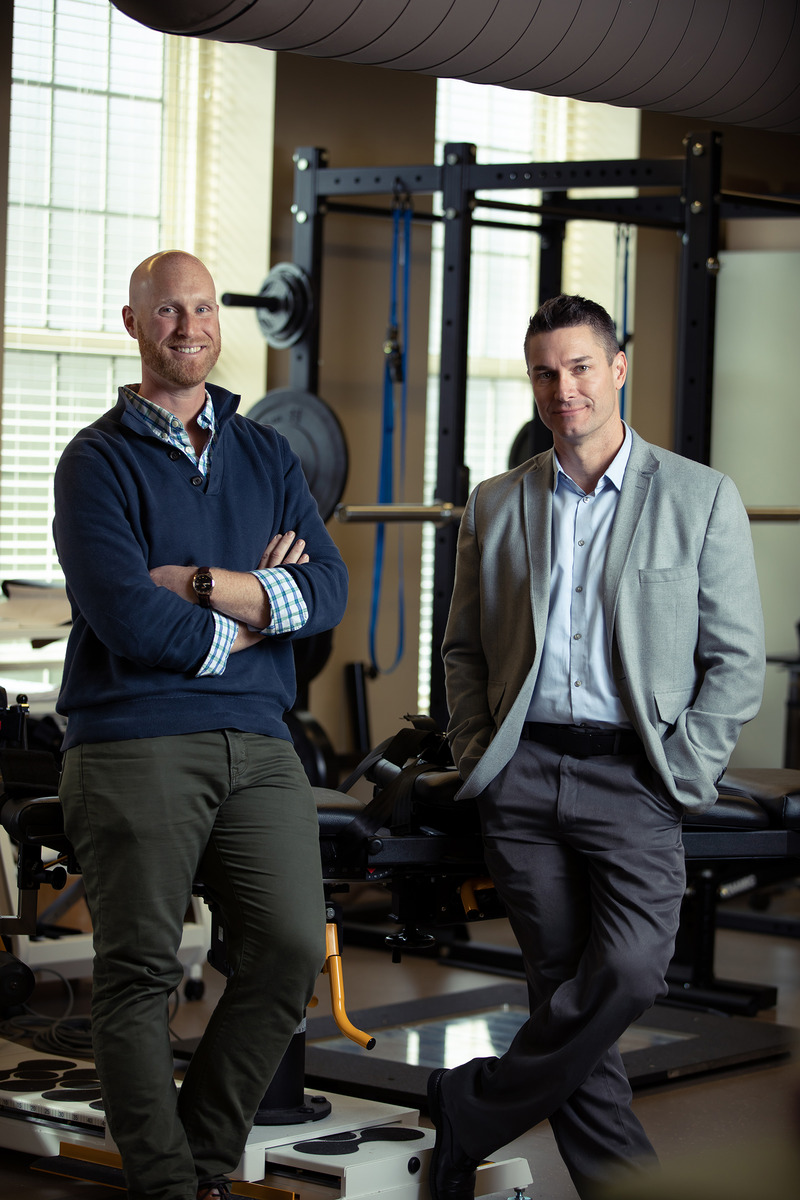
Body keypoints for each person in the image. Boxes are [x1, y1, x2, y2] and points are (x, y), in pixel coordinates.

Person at [427, 294, 765, 1200]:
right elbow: (461, 650)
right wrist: (475, 751)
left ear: (618, 369)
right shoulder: (499, 505)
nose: (563, 388)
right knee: (563, 997)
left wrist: (684, 767)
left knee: (626, 970)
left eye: (581, 367)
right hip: (524, 773)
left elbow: (735, 663)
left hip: (637, 776)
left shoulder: (700, 497)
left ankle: (476, 1103)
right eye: (545, 371)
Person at [53, 250, 348, 1200]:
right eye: (169, 311)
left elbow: (329, 587)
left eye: (206, 307)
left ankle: (203, 1162)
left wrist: (207, 586)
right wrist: (263, 615)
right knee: (139, 969)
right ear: (135, 325)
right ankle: (172, 1188)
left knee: (292, 946)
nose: (191, 326)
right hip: (133, 738)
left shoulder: (266, 451)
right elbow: (126, 617)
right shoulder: (94, 462)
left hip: (260, 742)